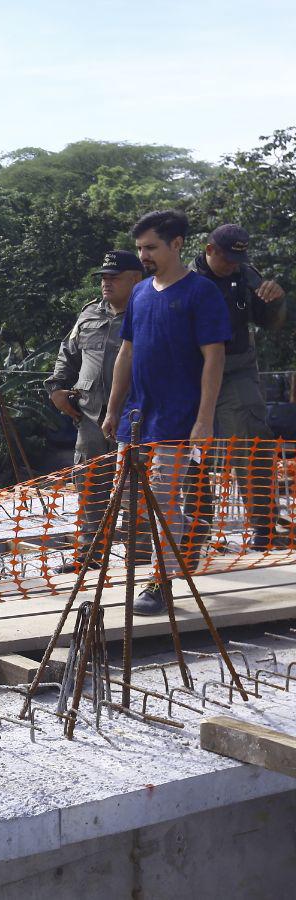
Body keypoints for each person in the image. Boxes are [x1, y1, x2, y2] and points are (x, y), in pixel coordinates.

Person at [102, 210, 231, 615]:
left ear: (176, 245)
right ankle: (171, 553)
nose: (144, 255)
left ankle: (163, 580)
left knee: (163, 496)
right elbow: (127, 351)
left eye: (151, 247)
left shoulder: (201, 292)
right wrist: (112, 408)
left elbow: (214, 358)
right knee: (128, 498)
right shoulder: (140, 293)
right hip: (139, 415)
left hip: (179, 415)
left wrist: (205, 418)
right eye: (140, 248)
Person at [188, 224, 286, 551]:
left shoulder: (245, 274)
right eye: (227, 257)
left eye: (238, 258)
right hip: (192, 372)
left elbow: (270, 321)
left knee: (251, 441)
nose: (232, 264)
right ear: (209, 249)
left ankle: (263, 528)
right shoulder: (185, 279)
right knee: (192, 451)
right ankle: (195, 529)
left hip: (236, 370)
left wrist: (275, 300)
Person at [46, 250, 144, 573]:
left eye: (114, 277)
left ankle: (139, 557)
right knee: (89, 484)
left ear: (135, 279)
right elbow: (68, 351)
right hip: (88, 417)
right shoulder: (89, 314)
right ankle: (91, 553)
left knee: (135, 490)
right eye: (103, 277)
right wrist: (57, 388)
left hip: (133, 416)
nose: (106, 283)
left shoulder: (147, 312)